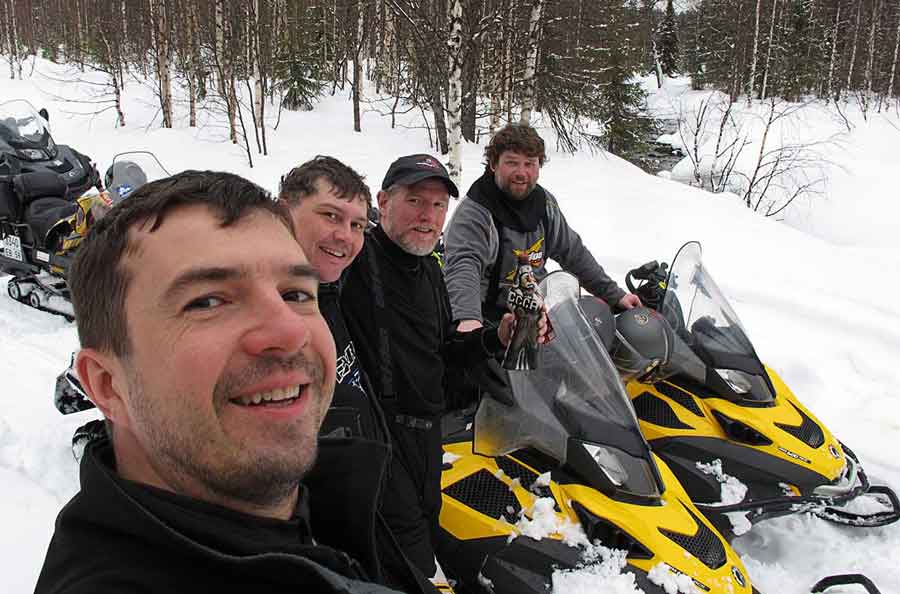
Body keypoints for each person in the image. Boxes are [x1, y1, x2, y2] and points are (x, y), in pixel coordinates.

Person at [34, 171, 426, 594]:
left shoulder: (328, 503)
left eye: (295, 294)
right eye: (207, 301)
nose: (290, 332)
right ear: (109, 385)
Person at [340, 155, 544, 584]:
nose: (428, 216)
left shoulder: (430, 270)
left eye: (437, 206)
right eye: (415, 201)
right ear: (382, 201)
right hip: (379, 446)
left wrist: (498, 337)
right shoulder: (355, 261)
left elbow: (445, 351)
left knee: (431, 539)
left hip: (428, 440)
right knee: (409, 565)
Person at [443, 123, 641, 334]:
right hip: (487, 321)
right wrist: (469, 321)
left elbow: (573, 253)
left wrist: (615, 295)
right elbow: (463, 266)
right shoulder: (476, 211)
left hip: (535, 318)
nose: (521, 173)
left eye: (529, 164)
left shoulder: (544, 205)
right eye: (512, 163)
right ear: (494, 164)